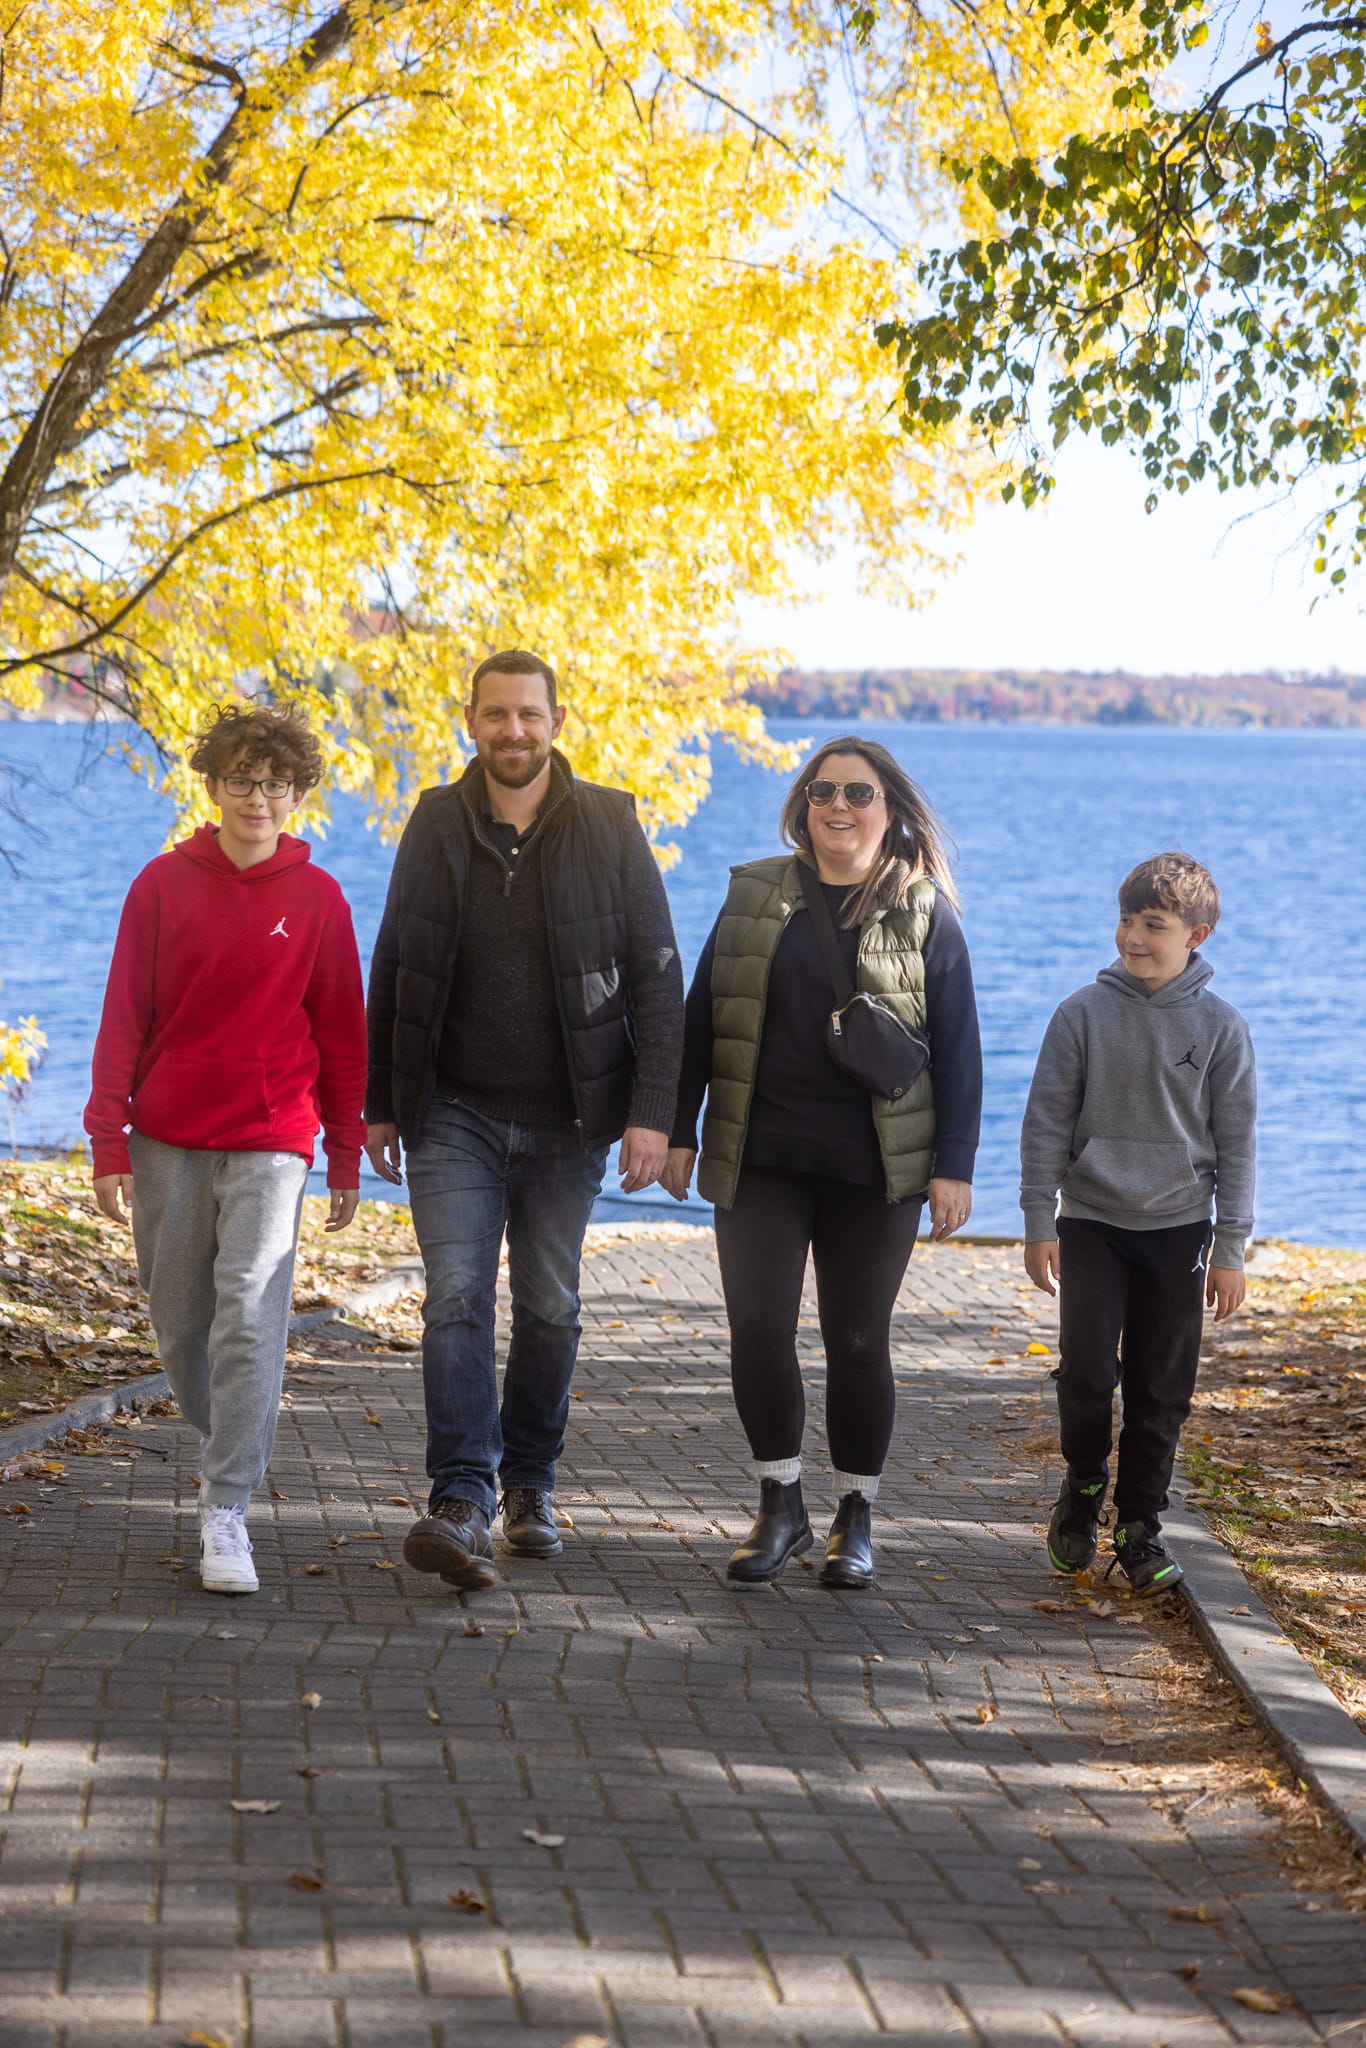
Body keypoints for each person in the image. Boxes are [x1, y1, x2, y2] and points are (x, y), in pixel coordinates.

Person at [365, 649, 683, 1591]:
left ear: (555, 721)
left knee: (549, 1305)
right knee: (454, 1296)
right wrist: (381, 1102)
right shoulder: (432, 822)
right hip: (451, 1108)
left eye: (529, 715)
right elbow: (392, 964)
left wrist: (653, 1115)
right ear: (471, 722)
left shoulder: (609, 823)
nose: (513, 731)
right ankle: (460, 1495)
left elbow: (659, 979)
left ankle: (530, 1486)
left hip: (570, 1118)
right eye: (496, 715)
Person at [662, 737, 982, 1590]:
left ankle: (856, 1516)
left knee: (855, 1338)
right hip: (761, 1154)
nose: (839, 806)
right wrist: (678, 1128)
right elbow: (705, 1015)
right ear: (803, 804)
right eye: (823, 790)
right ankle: (780, 1505)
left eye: (859, 793)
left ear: (890, 810)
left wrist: (955, 1164)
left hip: (877, 1169)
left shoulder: (922, 908)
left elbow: (958, 1048)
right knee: (759, 1331)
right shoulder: (755, 894)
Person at [85, 703, 367, 1596]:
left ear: (297, 793)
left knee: (250, 1306)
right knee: (180, 1324)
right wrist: (106, 1140)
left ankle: (226, 1507)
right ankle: (229, 1437)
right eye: (242, 780)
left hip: (274, 1135)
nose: (259, 797)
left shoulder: (318, 899)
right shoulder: (161, 885)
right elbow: (124, 1013)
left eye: (276, 782)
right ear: (213, 786)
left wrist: (347, 1153)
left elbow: (344, 1033)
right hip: (167, 1133)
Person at [1020, 850, 1255, 1595]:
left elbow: (1237, 1143)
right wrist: (1038, 1218)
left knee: (1162, 1389)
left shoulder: (1221, 1028)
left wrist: (1231, 1247)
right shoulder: (1080, 1014)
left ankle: (1140, 1524)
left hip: (1181, 1232)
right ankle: (1084, 1484)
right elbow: (1045, 1123)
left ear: (1198, 934)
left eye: (1153, 924)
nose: (1133, 936)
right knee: (1088, 1375)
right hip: (1091, 1222)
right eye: (1126, 919)